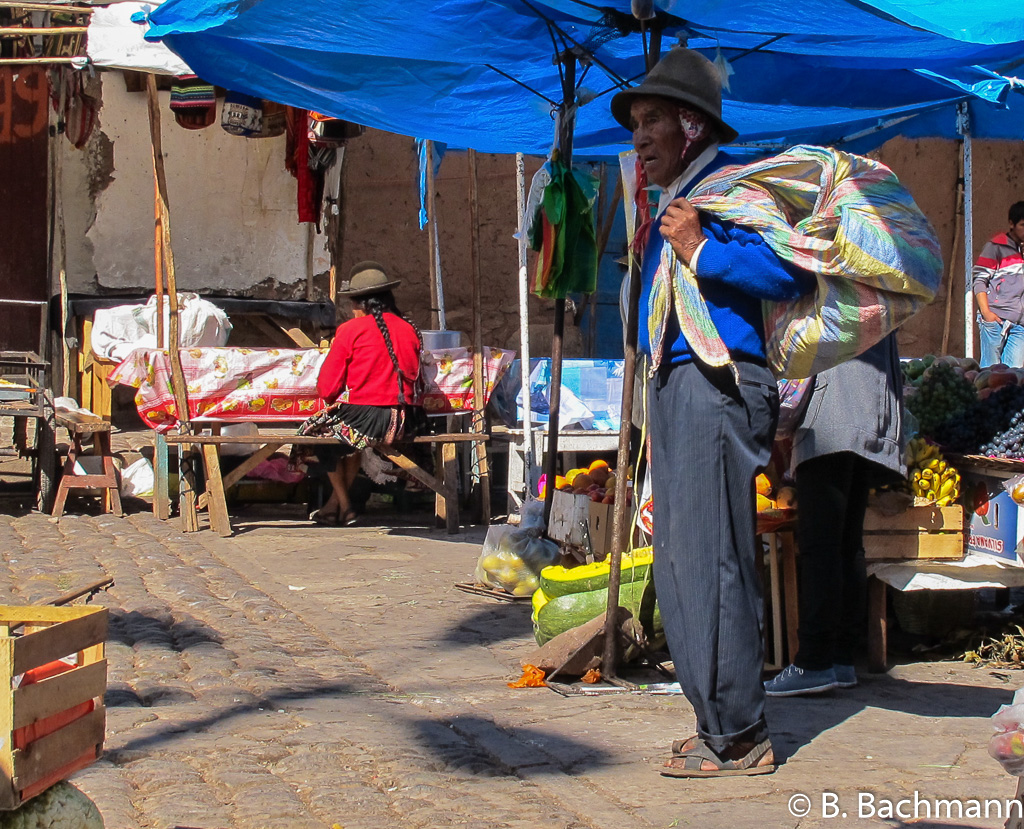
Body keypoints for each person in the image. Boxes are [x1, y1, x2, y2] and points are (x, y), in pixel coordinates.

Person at [610, 47, 813, 777]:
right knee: (683, 555)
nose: (639, 137)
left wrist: (700, 247)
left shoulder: (731, 192)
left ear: (692, 126)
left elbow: (788, 269)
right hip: (678, 386)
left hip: (716, 384)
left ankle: (739, 731)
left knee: (712, 555)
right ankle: (713, 718)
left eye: (652, 119)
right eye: (635, 122)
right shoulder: (672, 205)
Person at [764, 332, 905, 697]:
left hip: (832, 410)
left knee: (821, 544)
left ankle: (814, 661)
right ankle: (840, 658)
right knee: (846, 543)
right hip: (867, 408)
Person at [299, 261, 425, 526]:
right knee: (352, 437)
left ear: (361, 305)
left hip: (369, 418)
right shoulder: (410, 329)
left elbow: (328, 388)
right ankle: (333, 506)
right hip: (406, 419)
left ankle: (346, 506)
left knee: (315, 431)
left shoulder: (350, 331)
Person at [973, 201, 1024, 368]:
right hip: (995, 321)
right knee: (989, 373)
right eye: (1023, 225)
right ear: (1011, 224)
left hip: (1020, 325)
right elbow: (979, 280)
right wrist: (986, 313)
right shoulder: (996, 247)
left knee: (1013, 375)